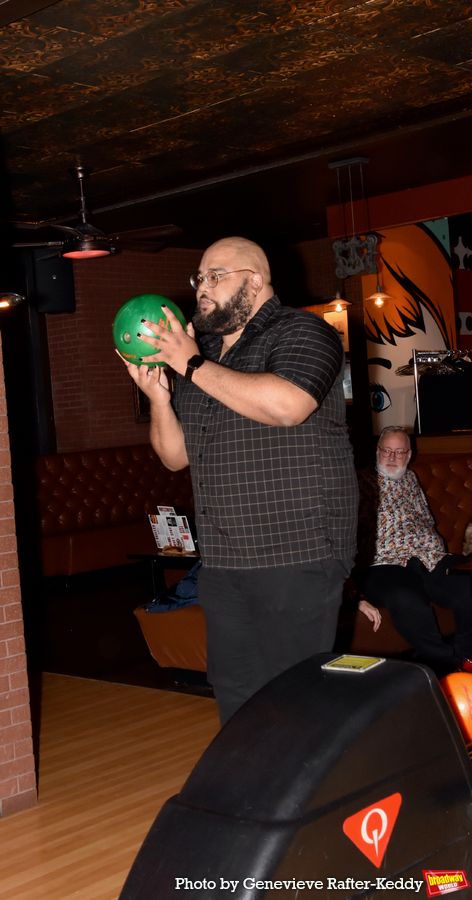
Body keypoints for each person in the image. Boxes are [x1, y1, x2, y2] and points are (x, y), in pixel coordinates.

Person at [119, 236, 358, 724]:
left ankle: (307, 799)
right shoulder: (202, 354)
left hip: (298, 551)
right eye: (198, 279)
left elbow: (288, 406)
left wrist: (189, 363)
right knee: (235, 690)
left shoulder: (303, 332)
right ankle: (253, 795)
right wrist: (161, 399)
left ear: (255, 280)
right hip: (226, 560)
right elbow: (174, 458)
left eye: (214, 277)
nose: (201, 289)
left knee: (297, 694)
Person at [356, 425, 472, 676]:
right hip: (383, 563)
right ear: (377, 451)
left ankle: (467, 658)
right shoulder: (359, 483)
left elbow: (425, 520)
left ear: (409, 455)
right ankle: (447, 665)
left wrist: (435, 550)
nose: (392, 457)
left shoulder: (410, 478)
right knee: (407, 599)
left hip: (429, 558)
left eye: (399, 452)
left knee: (468, 584)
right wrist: (354, 592)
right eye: (386, 451)